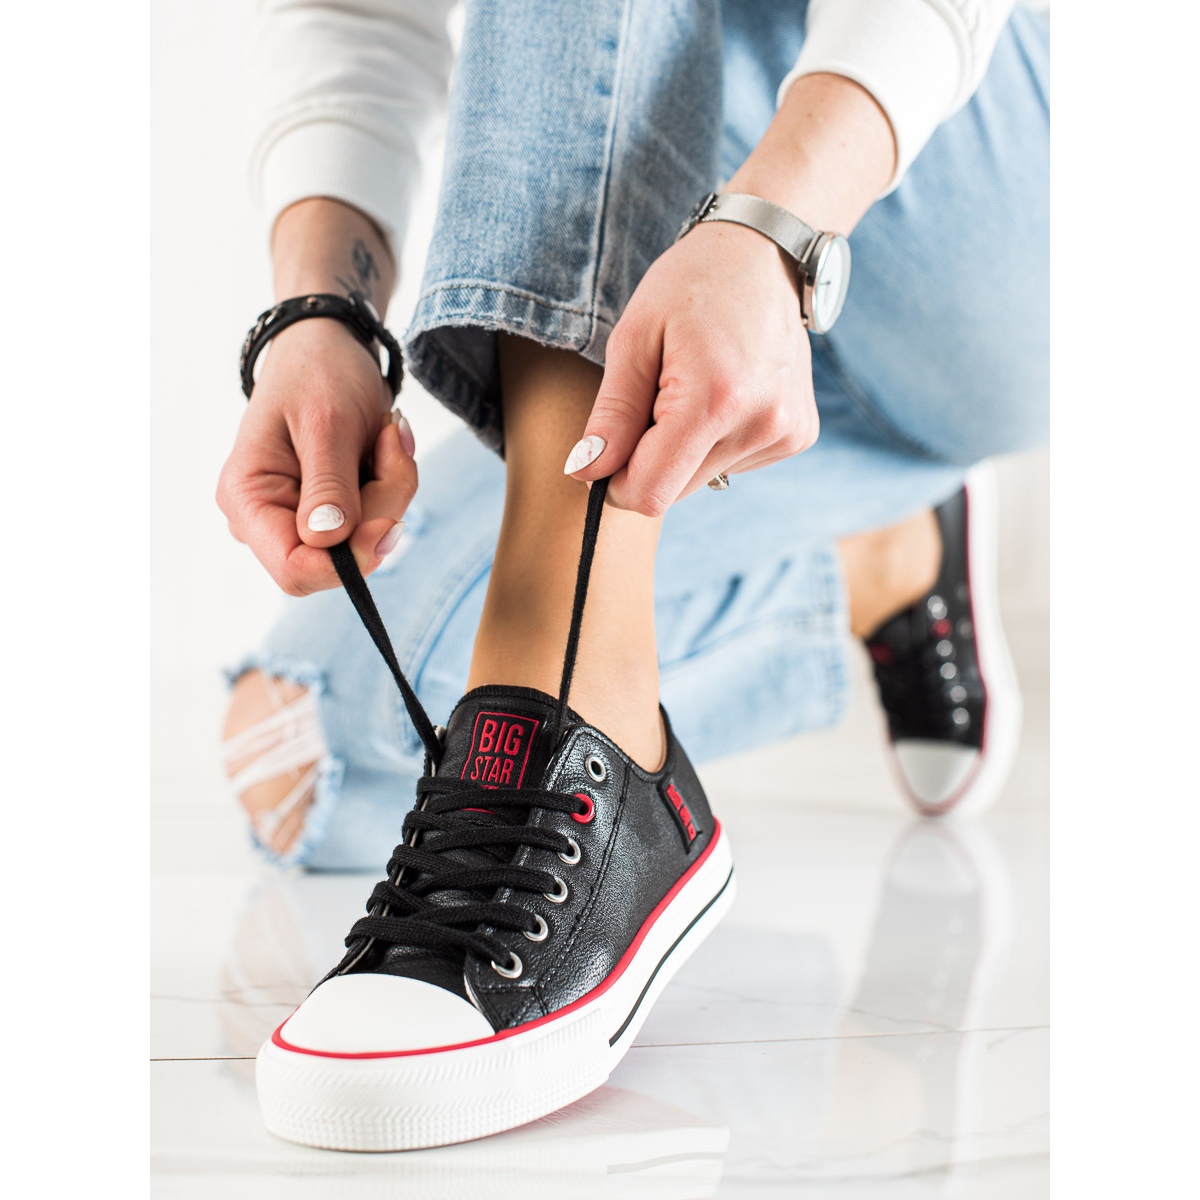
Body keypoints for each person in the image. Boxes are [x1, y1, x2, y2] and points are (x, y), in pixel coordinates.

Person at [218, 0, 1048, 1150]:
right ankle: (878, 551)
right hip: (657, 256)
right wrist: (323, 313)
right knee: (309, 747)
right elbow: (356, 13)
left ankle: (576, 692)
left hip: (974, 200)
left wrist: (773, 230)